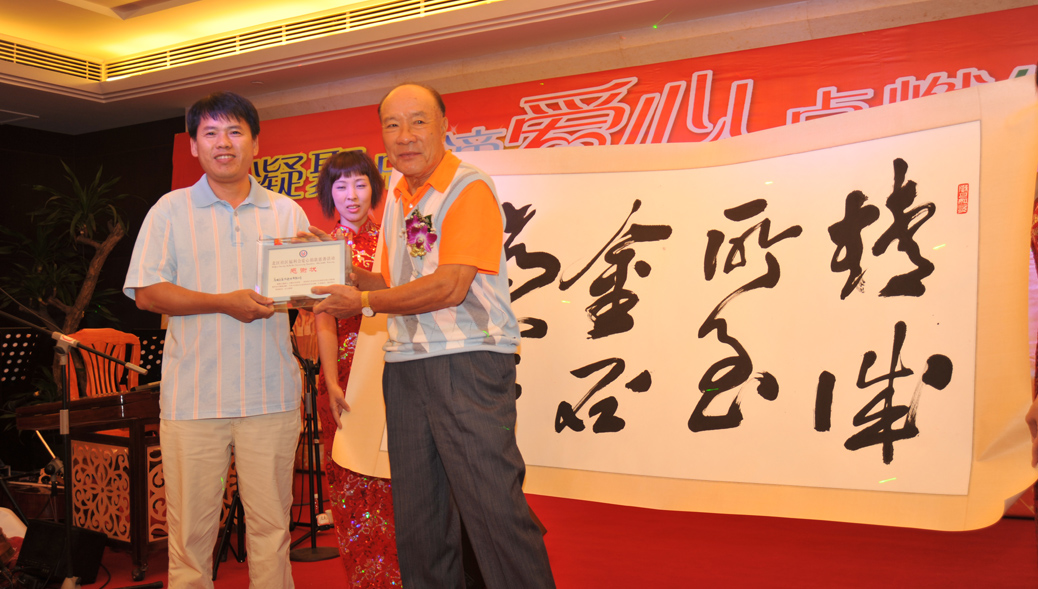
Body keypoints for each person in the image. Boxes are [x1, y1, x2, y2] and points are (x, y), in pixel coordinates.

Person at [310, 83, 555, 588]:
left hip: (467, 362)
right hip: (405, 364)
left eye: (418, 121)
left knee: (493, 509)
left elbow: (449, 285)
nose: (405, 135)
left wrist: (362, 302)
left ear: (445, 125)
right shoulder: (399, 195)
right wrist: (341, 270)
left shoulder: (468, 187)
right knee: (421, 520)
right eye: (392, 125)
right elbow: (390, 284)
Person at [123, 91, 308, 588]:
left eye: (234, 132)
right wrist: (224, 302)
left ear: (255, 143)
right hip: (193, 399)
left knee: (273, 531)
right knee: (190, 537)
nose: (223, 143)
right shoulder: (170, 210)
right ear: (193, 146)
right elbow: (147, 292)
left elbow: (306, 290)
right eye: (210, 133)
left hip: (271, 396)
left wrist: (322, 287)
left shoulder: (287, 213)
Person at [311, 150, 401, 586]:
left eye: (360, 184)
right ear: (329, 194)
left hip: (392, 373)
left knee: (396, 481)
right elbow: (324, 321)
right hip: (345, 380)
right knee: (351, 487)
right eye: (341, 185)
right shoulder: (323, 248)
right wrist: (330, 381)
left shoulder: (392, 243)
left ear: (374, 189)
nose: (351, 194)